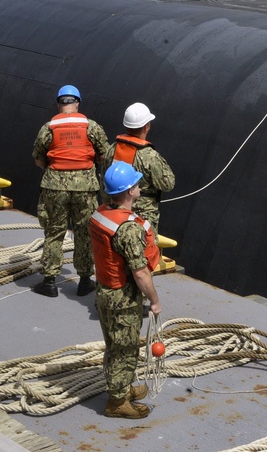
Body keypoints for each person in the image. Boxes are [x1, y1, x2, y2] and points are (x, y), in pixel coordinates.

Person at [89, 161, 162, 419]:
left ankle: (122, 387)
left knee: (115, 343)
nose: (139, 186)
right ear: (130, 191)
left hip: (105, 290)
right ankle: (117, 402)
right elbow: (140, 272)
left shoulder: (101, 213)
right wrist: (154, 300)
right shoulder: (128, 229)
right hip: (123, 298)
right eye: (136, 183)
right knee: (125, 347)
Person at [31, 85, 108, 298]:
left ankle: (49, 282)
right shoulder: (91, 127)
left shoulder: (48, 127)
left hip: (54, 187)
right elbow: (103, 155)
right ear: (78, 103)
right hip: (85, 187)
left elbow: (38, 158)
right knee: (84, 233)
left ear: (58, 104)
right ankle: (85, 281)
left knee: (54, 231)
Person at [102, 102, 175, 238]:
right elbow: (168, 184)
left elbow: (105, 178)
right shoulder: (150, 156)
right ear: (146, 127)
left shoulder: (112, 149)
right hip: (143, 215)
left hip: (116, 210)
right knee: (145, 251)